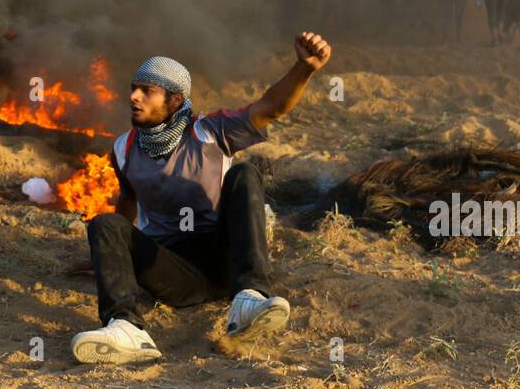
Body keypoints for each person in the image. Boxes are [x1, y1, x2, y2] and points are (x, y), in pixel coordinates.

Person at [71, 32, 333, 365]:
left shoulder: (209, 131)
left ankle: (250, 299)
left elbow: (271, 108)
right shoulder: (123, 149)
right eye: (134, 88)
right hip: (173, 274)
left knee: (245, 173)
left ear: (176, 100)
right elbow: (127, 203)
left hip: (225, 259)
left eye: (147, 91)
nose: (134, 97)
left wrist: (304, 68)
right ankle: (126, 329)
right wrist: (111, 256)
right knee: (104, 223)